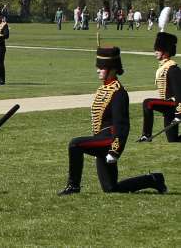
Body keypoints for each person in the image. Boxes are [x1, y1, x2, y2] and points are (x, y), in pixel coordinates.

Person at [58, 46, 166, 195]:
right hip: (100, 139)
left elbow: (122, 125)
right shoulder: (103, 89)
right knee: (110, 188)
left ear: (112, 69)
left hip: (109, 141)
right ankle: (153, 179)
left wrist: (115, 150)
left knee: (75, 144)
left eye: (101, 67)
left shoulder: (119, 92)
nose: (97, 70)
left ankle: (73, 186)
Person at [138, 31, 180, 143]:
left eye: (158, 49)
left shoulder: (173, 68)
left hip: (173, 105)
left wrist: (179, 113)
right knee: (173, 140)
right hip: (168, 108)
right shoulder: (163, 67)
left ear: (165, 51)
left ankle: (146, 135)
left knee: (148, 103)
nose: (155, 52)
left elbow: (179, 93)